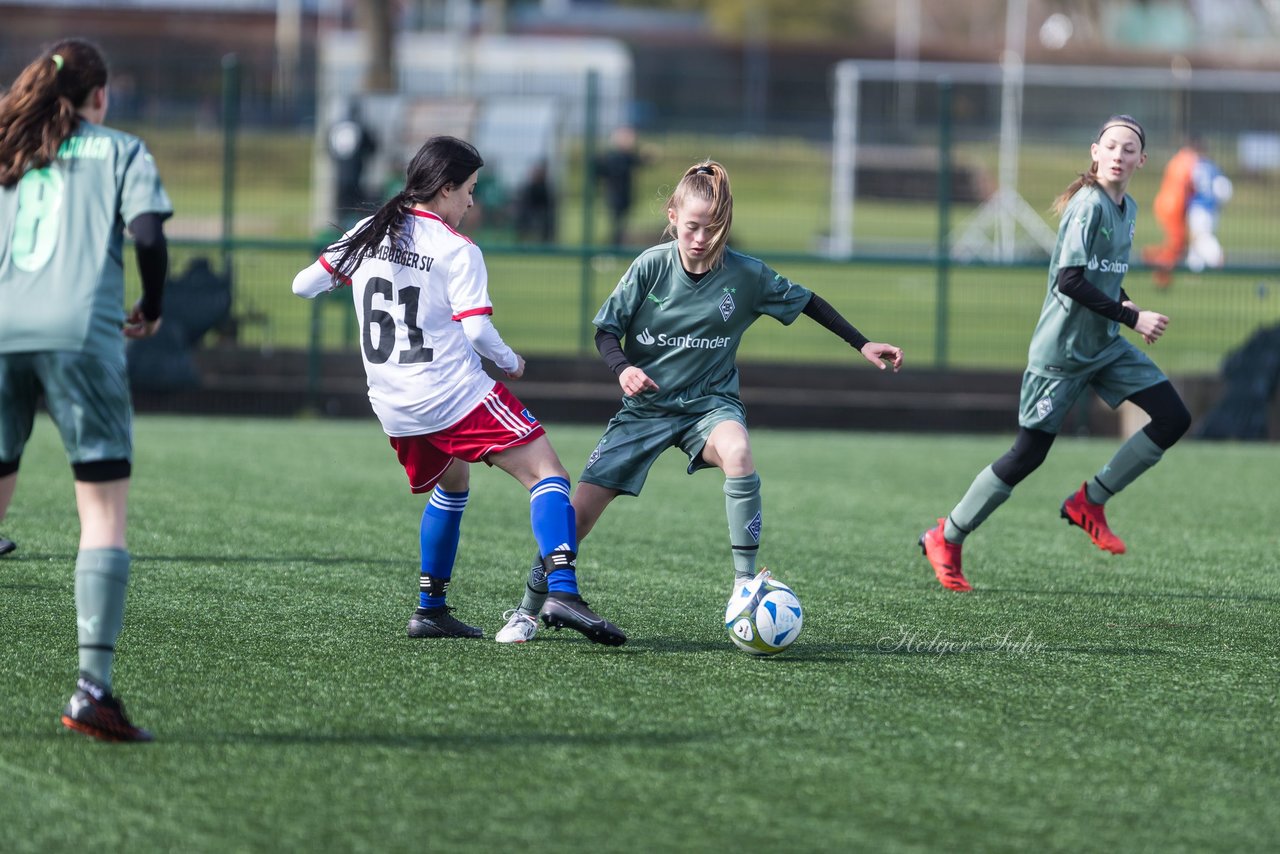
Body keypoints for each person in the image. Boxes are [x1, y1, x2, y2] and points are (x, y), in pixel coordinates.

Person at [499, 160, 903, 644]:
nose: (700, 238)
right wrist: (624, 368)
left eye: (713, 229)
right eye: (691, 226)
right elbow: (606, 331)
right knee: (576, 518)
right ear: (672, 216)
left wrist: (861, 343)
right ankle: (526, 611)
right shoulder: (650, 265)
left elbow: (808, 300)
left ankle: (743, 585)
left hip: (708, 406)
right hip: (644, 411)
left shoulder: (746, 276)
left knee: (739, 452)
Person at [291, 136, 618, 646]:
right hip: (449, 394)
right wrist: (511, 361)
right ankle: (562, 589)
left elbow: (303, 285)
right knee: (549, 474)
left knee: (453, 484)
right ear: (444, 189)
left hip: (393, 403)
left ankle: (430, 609)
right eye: (468, 189)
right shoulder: (457, 249)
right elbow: (478, 334)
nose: (472, 201)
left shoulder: (368, 230)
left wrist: (355, 278)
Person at [919, 115, 1192, 592]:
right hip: (1061, 354)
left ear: (1142, 161)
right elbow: (1070, 281)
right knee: (1027, 455)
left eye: (1130, 149)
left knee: (1173, 417)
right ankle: (948, 534)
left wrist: (1125, 302)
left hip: (1104, 345)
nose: (1119, 155)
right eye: (1111, 146)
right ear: (1094, 152)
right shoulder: (1087, 207)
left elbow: (1103, 273)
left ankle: (1090, 501)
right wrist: (1133, 318)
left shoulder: (1127, 208)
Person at [0, 38, 172, 741]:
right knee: (101, 513)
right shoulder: (121, 150)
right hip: (79, 336)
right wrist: (152, 304)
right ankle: (91, 690)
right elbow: (147, 235)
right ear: (99, 97)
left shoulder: (8, 149)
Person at [1141, 139, 1200, 288]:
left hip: (1166, 203)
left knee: (1178, 243)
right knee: (1177, 244)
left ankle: (1153, 258)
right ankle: (1158, 270)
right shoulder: (1189, 161)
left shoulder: (1177, 159)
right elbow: (1187, 184)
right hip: (1174, 206)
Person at [328, 97, 377, 226]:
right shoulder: (359, 127)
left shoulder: (336, 127)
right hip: (356, 174)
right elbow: (372, 147)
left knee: (341, 205)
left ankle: (339, 225)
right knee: (357, 204)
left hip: (339, 174)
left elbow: (329, 148)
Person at [595, 126, 648, 247]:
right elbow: (602, 171)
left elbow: (640, 162)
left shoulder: (627, 156)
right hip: (614, 194)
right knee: (616, 222)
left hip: (625, 194)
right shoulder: (612, 157)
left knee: (621, 222)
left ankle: (617, 243)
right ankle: (614, 244)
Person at [1185, 152, 1232, 273]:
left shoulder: (1194, 166)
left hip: (1198, 208)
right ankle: (1194, 268)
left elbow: (1189, 185)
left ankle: (1216, 256)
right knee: (1195, 239)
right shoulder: (1214, 168)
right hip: (1211, 210)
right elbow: (1224, 189)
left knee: (1199, 237)